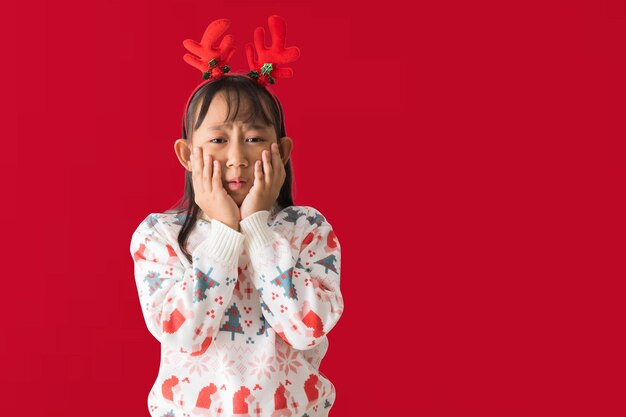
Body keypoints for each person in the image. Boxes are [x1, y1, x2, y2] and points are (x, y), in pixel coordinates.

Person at [129, 16, 344, 417]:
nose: (235, 157)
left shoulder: (307, 229)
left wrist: (258, 228)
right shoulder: (159, 236)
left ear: (281, 151)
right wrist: (226, 231)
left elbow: (304, 329)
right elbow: (186, 335)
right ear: (186, 155)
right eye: (217, 139)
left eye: (253, 139)